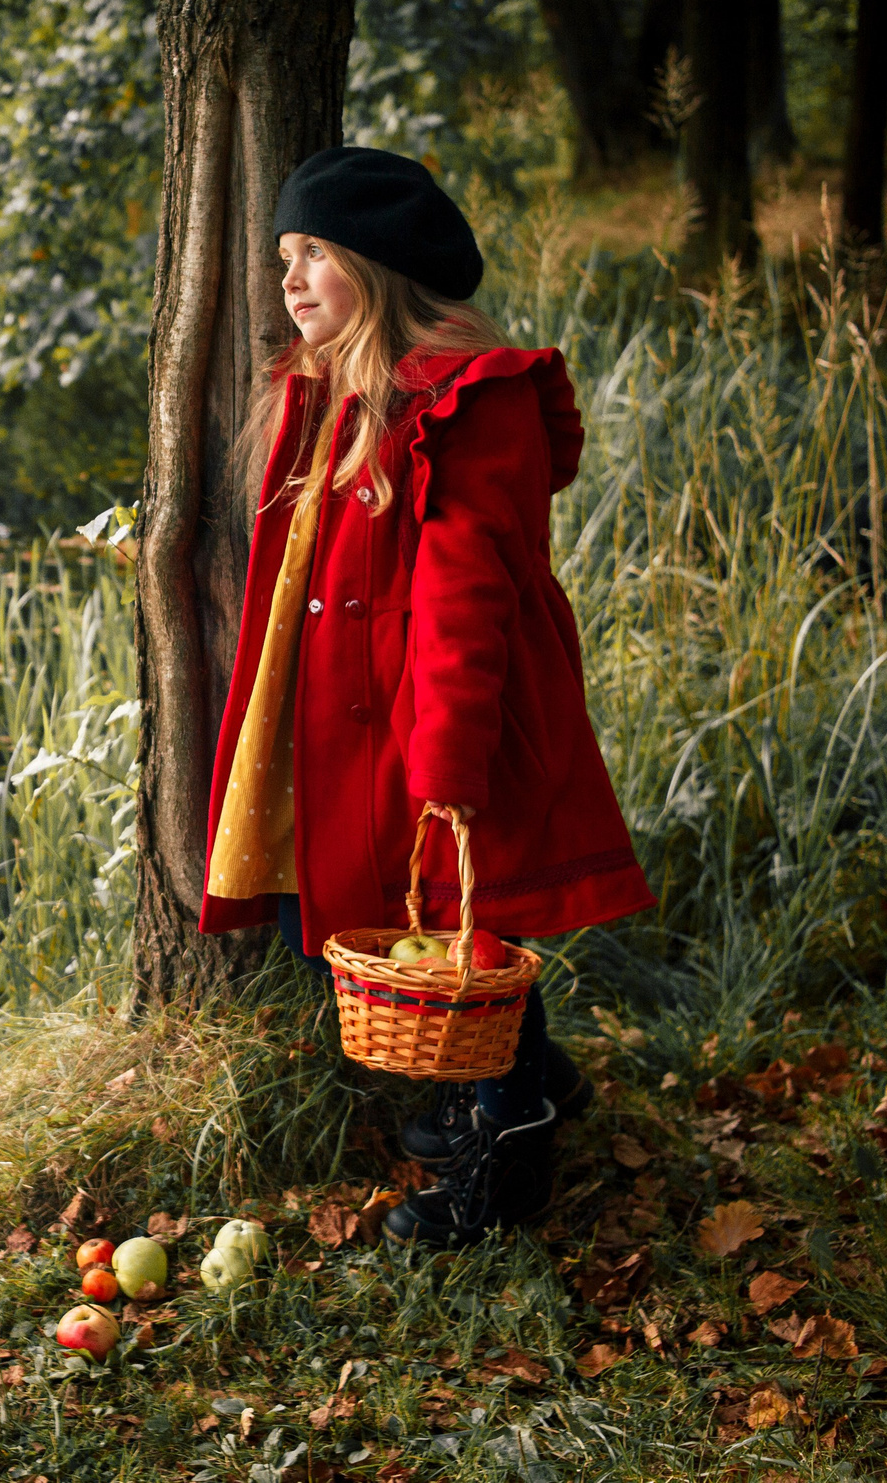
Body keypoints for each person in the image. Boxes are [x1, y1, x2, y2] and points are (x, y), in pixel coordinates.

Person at [197, 145, 656, 1246]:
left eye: (314, 255)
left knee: (465, 928)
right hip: (361, 722)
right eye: (282, 258)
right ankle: (518, 1078)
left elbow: (463, 596)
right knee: (410, 919)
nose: (290, 280)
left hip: (452, 716)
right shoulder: (321, 396)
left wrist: (445, 761)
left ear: (382, 266)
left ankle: (512, 1139)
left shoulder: (468, 401)